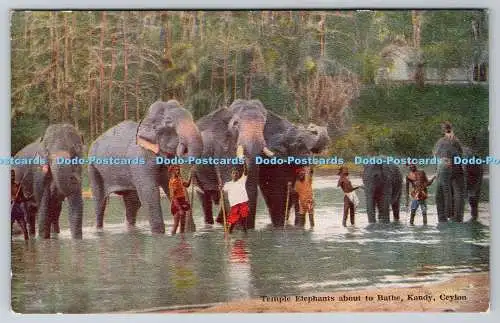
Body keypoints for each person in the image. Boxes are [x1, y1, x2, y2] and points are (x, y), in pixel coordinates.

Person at [221, 164, 249, 234]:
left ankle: (245, 237)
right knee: (232, 222)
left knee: (243, 223)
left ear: (239, 174)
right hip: (234, 205)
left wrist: (244, 164)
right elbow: (222, 191)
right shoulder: (227, 184)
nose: (235, 174)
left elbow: (245, 172)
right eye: (234, 173)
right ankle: (228, 236)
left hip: (243, 204)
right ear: (231, 175)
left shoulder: (242, 180)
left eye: (236, 173)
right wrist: (220, 188)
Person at [168, 165, 192, 235]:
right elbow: (173, 197)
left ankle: (182, 241)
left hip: (182, 200)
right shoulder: (173, 181)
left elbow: (187, 185)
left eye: (178, 170)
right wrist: (179, 209)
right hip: (176, 203)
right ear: (172, 171)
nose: (178, 171)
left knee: (183, 224)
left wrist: (190, 176)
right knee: (176, 224)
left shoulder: (180, 179)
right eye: (176, 170)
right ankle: (173, 239)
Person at [11, 169, 29, 240]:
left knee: (25, 230)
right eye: (11, 175)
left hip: (18, 211)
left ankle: (27, 247)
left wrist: (29, 198)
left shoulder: (18, 186)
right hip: (10, 211)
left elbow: (23, 198)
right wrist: (12, 199)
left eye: (13, 175)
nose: (12, 177)